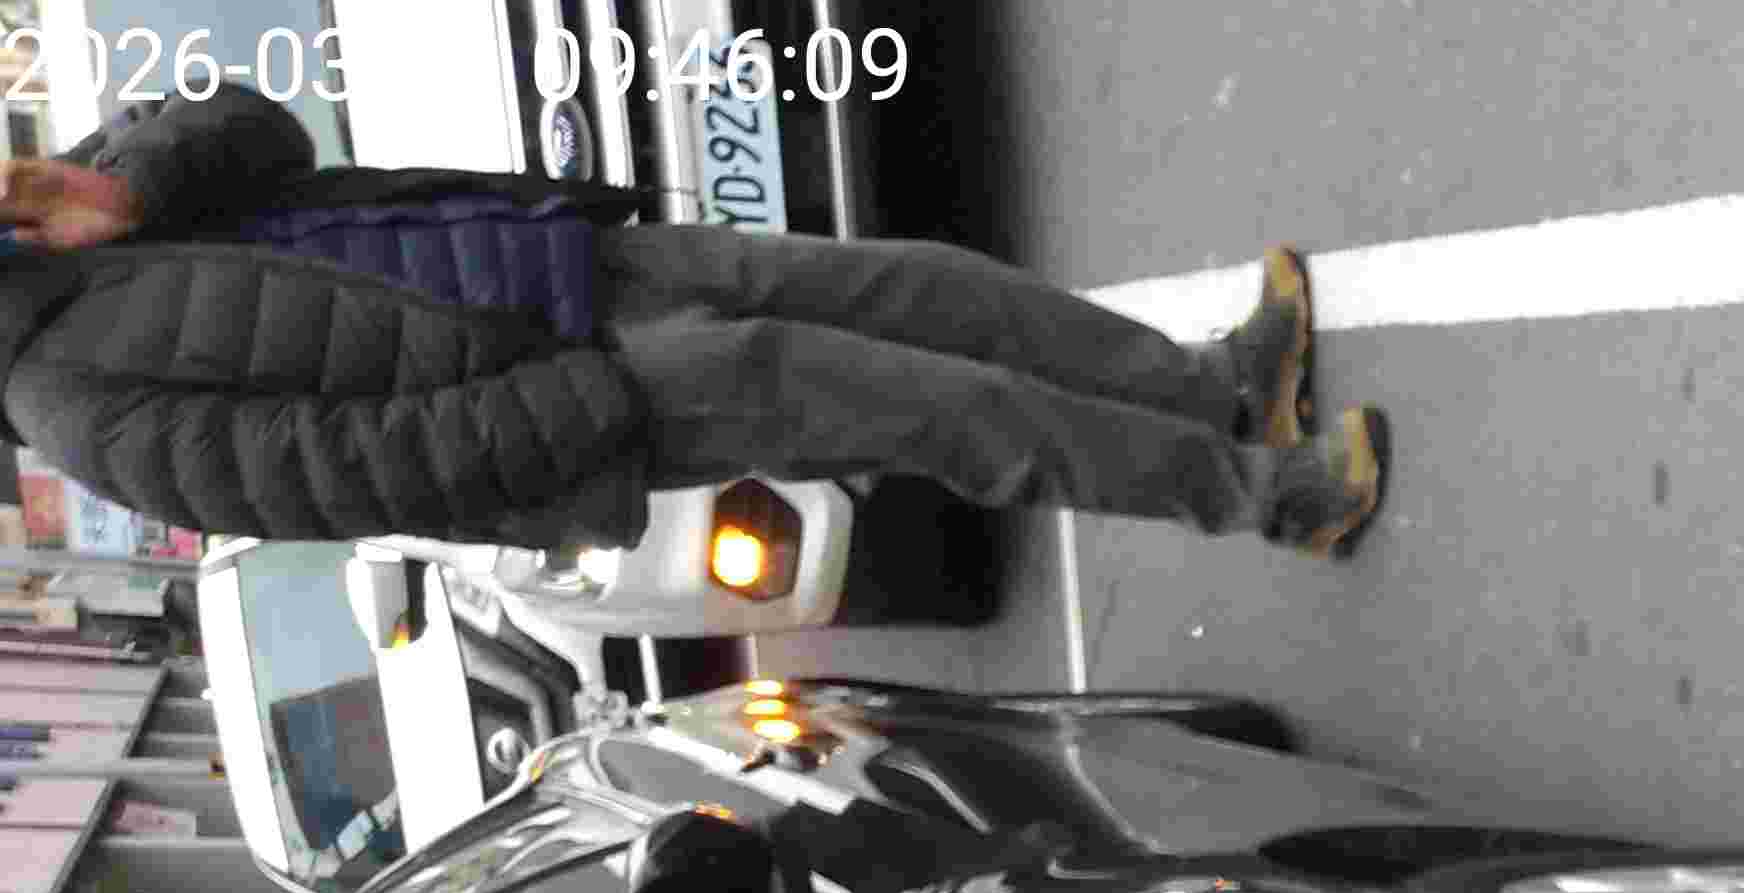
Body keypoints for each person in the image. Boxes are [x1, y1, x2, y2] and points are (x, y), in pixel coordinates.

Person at [0, 84, 1383, 561]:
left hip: (576, 255)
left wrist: (126, 183)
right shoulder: (79, 412)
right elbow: (358, 477)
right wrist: (601, 396)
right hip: (596, 384)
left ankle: (1212, 388)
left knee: (924, 287)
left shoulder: (71, 209)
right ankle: (1270, 499)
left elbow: (263, 132)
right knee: (945, 411)